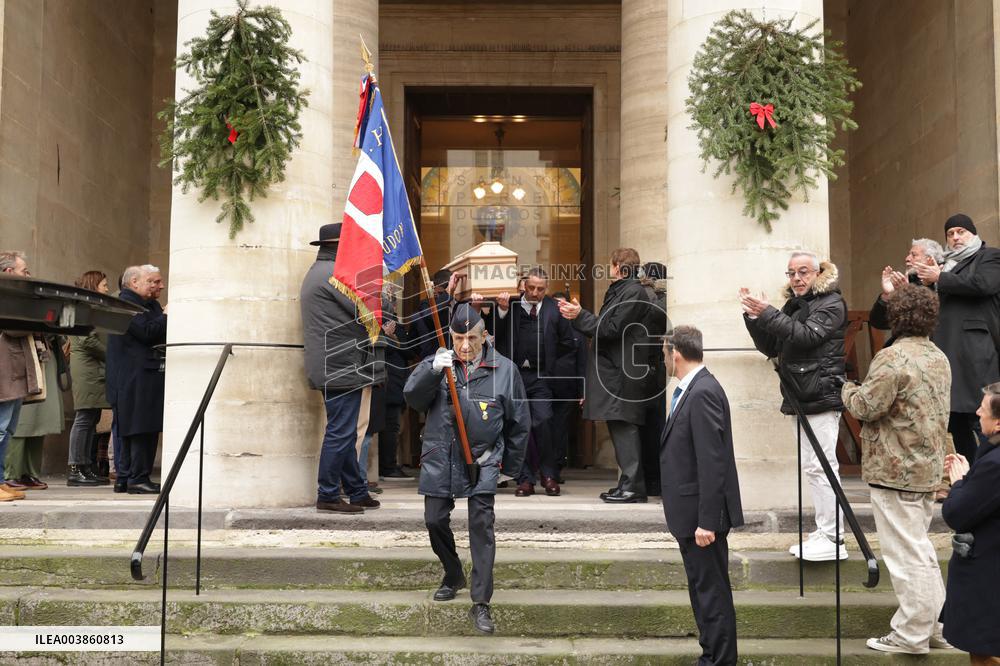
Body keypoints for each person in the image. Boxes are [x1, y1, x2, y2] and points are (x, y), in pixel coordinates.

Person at [403, 303, 529, 635]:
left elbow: (519, 424)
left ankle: (481, 602)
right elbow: (413, 399)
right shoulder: (441, 362)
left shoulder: (504, 369)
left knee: (481, 528)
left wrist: (509, 469)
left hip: (484, 460)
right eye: (458, 337)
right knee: (433, 520)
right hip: (441, 456)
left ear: (484, 335)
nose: (464, 345)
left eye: (471, 337)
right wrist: (430, 368)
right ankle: (452, 572)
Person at [841, 285, 952, 654]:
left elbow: (866, 406)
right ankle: (934, 627)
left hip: (895, 469)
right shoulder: (939, 356)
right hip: (926, 469)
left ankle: (911, 634)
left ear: (896, 317)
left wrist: (845, 388)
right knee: (921, 551)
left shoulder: (892, 357)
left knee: (906, 556)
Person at [740, 251, 849, 561]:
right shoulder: (793, 305)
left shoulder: (831, 302)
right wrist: (753, 316)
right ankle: (825, 529)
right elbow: (771, 346)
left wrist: (769, 312)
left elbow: (805, 336)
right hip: (800, 394)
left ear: (818, 273)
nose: (797, 279)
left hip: (822, 394)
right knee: (813, 468)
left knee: (823, 466)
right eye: (791, 273)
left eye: (803, 272)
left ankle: (834, 537)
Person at [660, 325, 744, 665]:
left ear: (675, 353)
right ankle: (710, 655)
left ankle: (719, 660)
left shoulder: (703, 391)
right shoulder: (691, 389)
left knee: (712, 595)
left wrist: (707, 521)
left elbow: (713, 462)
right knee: (702, 592)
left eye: (664, 353)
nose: (663, 360)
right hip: (691, 516)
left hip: (701, 520)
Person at [558, 248, 653, 503]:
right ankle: (627, 484)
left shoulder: (632, 291)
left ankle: (633, 487)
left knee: (624, 427)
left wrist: (580, 316)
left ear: (619, 267)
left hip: (622, 373)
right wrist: (581, 317)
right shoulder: (623, 290)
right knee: (619, 426)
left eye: (611, 266)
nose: (608, 270)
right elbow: (606, 326)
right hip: (615, 372)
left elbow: (611, 328)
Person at [301, 223, 382, 514]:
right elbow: (369, 310)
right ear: (339, 245)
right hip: (340, 365)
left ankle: (357, 491)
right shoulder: (336, 275)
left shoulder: (322, 271)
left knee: (344, 430)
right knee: (340, 431)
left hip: (338, 364)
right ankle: (328, 494)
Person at [912, 214, 1000, 463]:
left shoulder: (990, 256)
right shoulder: (943, 266)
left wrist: (940, 278)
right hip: (946, 350)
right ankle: (970, 477)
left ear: (973, 233)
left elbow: (983, 284)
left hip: (977, 351)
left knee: (982, 417)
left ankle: (990, 477)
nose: (955, 237)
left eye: (961, 231)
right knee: (955, 419)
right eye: (950, 233)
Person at [491, 267, 576, 497]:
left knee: (544, 421)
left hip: (542, 378)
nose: (535, 293)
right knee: (520, 425)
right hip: (515, 376)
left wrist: (554, 372)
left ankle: (549, 475)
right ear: (523, 286)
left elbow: (568, 344)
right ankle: (525, 479)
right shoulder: (511, 305)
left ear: (546, 288)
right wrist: (501, 310)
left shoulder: (554, 309)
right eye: (531, 288)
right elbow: (495, 336)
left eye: (540, 289)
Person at [940, 382, 1000, 664]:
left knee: (983, 654)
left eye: (984, 408)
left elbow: (957, 513)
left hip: (989, 574)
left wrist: (960, 482)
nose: (977, 411)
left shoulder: (995, 465)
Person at [106, 264, 167, 494]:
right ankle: (135, 478)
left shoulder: (148, 305)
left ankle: (127, 478)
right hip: (132, 375)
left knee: (139, 427)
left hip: (143, 373)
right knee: (138, 427)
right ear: (134, 282)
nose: (159, 285)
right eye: (153, 281)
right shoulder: (126, 304)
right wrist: (167, 315)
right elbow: (147, 332)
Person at [67, 270, 112, 486]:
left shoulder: (89, 307)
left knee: (91, 418)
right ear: (94, 285)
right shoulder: (83, 307)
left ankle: (86, 466)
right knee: (84, 418)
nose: (107, 288)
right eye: (104, 284)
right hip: (88, 369)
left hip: (94, 368)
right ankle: (76, 468)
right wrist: (111, 354)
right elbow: (87, 341)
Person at [5, 333, 64, 490]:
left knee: (40, 421)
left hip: (43, 354)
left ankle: (30, 473)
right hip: (22, 355)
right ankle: (11, 473)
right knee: (21, 423)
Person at [0, 251, 37, 502]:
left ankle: (1, 481)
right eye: (25, 270)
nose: (29, 274)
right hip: (4, 370)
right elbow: (13, 325)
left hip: (13, 371)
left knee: (8, 429)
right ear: (10, 271)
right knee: (1, 429)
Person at [869, 238, 945, 338]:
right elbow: (878, 322)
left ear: (929, 260)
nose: (907, 258)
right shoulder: (910, 280)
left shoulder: (943, 283)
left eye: (914, 255)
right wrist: (887, 296)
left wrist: (907, 294)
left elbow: (922, 323)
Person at [639, 261, 669, 496]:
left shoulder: (655, 298)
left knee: (653, 430)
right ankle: (651, 480)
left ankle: (654, 480)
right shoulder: (652, 297)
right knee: (651, 429)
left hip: (654, 371)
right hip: (650, 370)